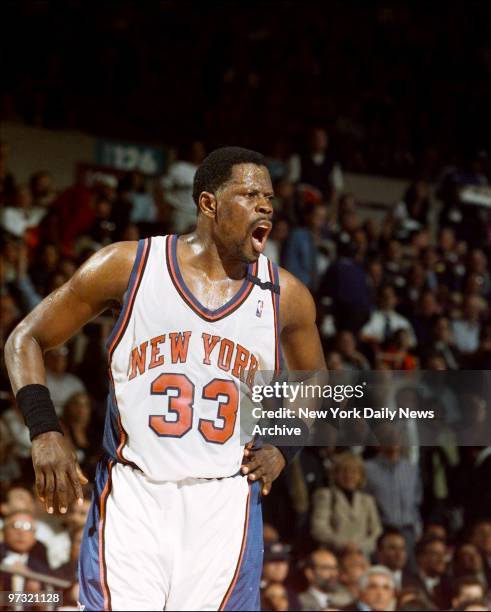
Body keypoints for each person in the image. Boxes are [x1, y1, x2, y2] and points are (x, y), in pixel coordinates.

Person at [5, 147, 326, 611]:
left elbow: (315, 382)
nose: (266, 206)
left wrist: (286, 445)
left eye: (269, 197)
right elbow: (25, 338)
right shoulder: (129, 266)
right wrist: (45, 430)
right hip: (135, 495)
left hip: (225, 503)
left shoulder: (287, 296)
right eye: (250, 194)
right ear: (208, 203)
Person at [310, 452, 382, 556]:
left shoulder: (367, 500)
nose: (349, 475)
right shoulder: (325, 495)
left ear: (360, 476)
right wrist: (343, 545)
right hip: (333, 556)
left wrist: (360, 547)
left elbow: (376, 531)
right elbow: (319, 528)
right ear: (335, 474)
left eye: (354, 471)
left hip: (361, 557)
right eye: (344, 471)